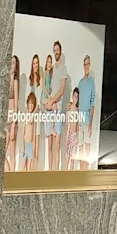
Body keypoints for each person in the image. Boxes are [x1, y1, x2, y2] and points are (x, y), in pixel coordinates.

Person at [42, 40, 68, 170]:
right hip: (50, 108)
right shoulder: (51, 70)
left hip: (57, 108)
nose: (56, 52)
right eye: (54, 50)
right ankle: (49, 172)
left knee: (57, 146)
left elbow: (61, 90)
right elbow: (48, 87)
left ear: (60, 51)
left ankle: (56, 173)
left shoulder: (63, 69)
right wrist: (49, 101)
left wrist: (52, 101)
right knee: (49, 145)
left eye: (57, 50)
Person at [77, 55, 96, 171]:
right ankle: (81, 169)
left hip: (87, 119)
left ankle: (86, 169)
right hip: (79, 119)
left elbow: (92, 103)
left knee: (87, 146)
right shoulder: (80, 82)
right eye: (85, 64)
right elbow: (78, 101)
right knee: (80, 146)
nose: (86, 66)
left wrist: (91, 123)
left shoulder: (92, 82)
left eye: (88, 64)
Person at [5, 54, 20, 172]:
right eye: (10, 62)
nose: (11, 64)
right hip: (5, 121)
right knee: (4, 152)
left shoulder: (15, 82)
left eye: (14, 63)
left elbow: (16, 105)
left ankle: (12, 175)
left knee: (12, 152)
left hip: (12, 121)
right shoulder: (5, 80)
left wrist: (14, 124)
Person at [42, 54, 53, 171]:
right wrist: (49, 96)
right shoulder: (45, 73)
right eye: (48, 62)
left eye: (51, 62)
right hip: (45, 98)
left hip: (49, 100)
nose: (49, 64)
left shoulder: (52, 74)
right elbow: (43, 86)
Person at [22, 92, 39, 172]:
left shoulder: (33, 118)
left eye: (32, 104)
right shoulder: (26, 116)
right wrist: (23, 147)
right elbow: (23, 134)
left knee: (29, 166)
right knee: (23, 165)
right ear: (27, 104)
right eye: (30, 103)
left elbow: (34, 133)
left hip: (30, 144)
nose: (31, 105)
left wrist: (34, 146)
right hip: (25, 144)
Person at [66, 87, 80, 170]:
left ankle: (71, 172)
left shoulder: (77, 110)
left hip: (74, 135)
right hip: (70, 134)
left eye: (77, 97)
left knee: (73, 158)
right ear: (72, 96)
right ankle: (65, 172)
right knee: (68, 155)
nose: (75, 99)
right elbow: (68, 123)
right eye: (75, 96)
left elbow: (77, 125)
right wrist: (67, 136)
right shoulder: (70, 108)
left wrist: (77, 137)